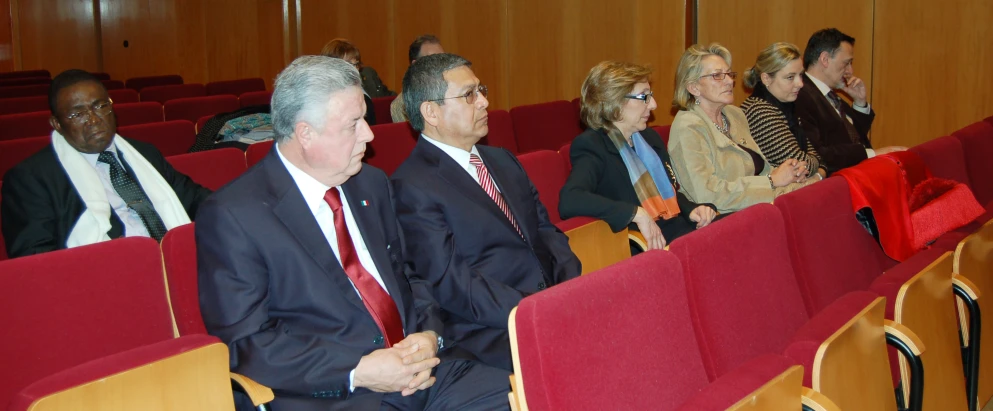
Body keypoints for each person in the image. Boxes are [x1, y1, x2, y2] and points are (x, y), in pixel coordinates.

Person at [196, 55, 510, 411]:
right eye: (354, 124)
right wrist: (357, 369)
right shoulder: (235, 216)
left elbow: (411, 278)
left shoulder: (371, 184)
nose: (370, 134)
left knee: (533, 396)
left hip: (428, 373)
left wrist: (429, 335)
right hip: (341, 394)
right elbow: (244, 344)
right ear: (305, 134)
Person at [391, 53, 582, 372]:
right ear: (431, 112)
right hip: (489, 329)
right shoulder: (411, 185)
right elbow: (453, 284)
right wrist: (534, 310)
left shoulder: (502, 159)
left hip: (550, 304)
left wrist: (571, 290)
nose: (483, 102)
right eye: (469, 95)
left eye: (482, 91)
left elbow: (546, 233)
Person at [1, 69, 210, 258]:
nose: (93, 119)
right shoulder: (31, 179)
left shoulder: (144, 153)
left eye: (100, 106)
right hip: (105, 278)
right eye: (78, 114)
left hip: (173, 260)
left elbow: (196, 199)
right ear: (57, 124)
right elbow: (35, 257)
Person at [559, 61, 718, 252]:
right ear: (614, 102)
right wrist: (635, 213)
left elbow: (668, 190)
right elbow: (570, 199)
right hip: (646, 246)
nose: (653, 104)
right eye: (644, 96)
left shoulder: (649, 137)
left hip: (680, 230)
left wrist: (692, 209)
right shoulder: (593, 145)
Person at [668, 44, 815, 214]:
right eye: (717, 76)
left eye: (729, 74)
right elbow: (706, 193)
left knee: (819, 192)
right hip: (724, 217)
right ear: (693, 87)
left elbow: (762, 171)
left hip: (759, 205)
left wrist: (790, 174)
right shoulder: (688, 127)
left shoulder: (734, 114)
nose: (730, 81)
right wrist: (771, 181)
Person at [795, 28, 905, 174]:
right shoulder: (801, 95)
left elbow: (851, 136)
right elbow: (818, 153)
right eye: (846, 63)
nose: (850, 71)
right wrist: (871, 154)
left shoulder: (827, 93)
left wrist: (860, 103)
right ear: (825, 59)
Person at [741, 42, 826, 179]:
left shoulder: (786, 107)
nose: (800, 84)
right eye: (790, 77)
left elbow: (817, 158)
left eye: (801, 75)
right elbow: (799, 163)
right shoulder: (759, 110)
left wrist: (819, 168)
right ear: (766, 78)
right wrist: (819, 169)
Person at [319, 38, 384, 124]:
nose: (355, 70)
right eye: (348, 65)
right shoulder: (318, 98)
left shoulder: (362, 97)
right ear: (332, 67)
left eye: (356, 64)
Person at [391, 35, 445, 123]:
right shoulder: (401, 106)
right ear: (416, 65)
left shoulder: (456, 92)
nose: (441, 65)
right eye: (432, 60)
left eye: (443, 59)